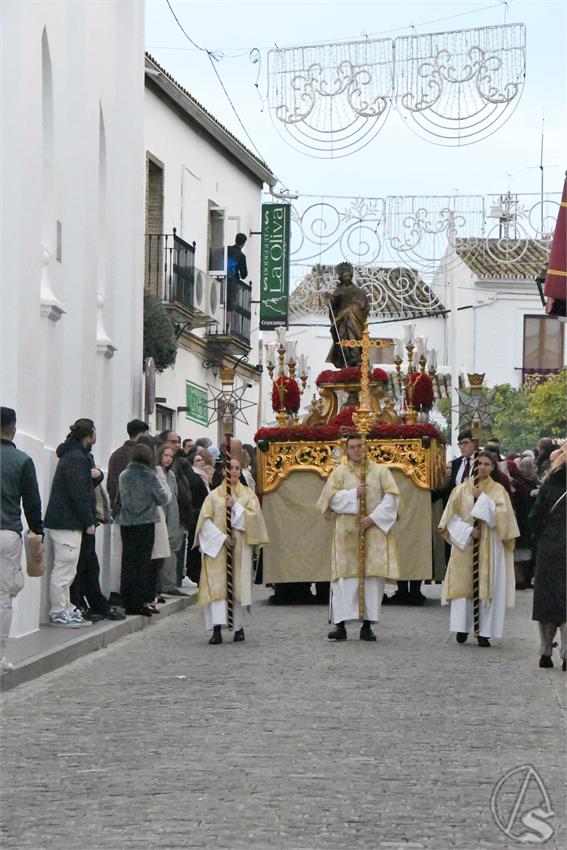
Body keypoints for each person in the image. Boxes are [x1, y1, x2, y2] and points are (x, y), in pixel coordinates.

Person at [317, 433, 400, 641]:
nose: (356, 450)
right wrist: (353, 494)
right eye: (352, 447)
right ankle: (340, 625)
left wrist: (372, 519)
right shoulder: (339, 473)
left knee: (371, 580)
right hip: (346, 536)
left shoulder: (381, 472)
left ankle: (367, 625)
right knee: (344, 580)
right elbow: (329, 500)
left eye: (359, 446)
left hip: (373, 533)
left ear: (366, 448)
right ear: (347, 449)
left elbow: (392, 499)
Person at [439, 451, 519, 647]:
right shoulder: (460, 490)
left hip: (489, 544)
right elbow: (449, 519)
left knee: (486, 586)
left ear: (492, 467)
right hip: (465, 544)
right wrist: (467, 531)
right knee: (463, 586)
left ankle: (483, 631)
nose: (482, 467)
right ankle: (461, 627)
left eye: (486, 464)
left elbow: (504, 518)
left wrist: (482, 499)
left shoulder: (499, 491)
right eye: (479, 463)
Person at [194, 457, 269, 645]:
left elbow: (255, 520)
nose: (233, 472)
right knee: (218, 588)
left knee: (236, 588)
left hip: (239, 548)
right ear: (223, 472)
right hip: (218, 549)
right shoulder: (213, 496)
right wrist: (221, 538)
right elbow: (204, 522)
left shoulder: (247, 495)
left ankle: (238, 627)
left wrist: (235, 507)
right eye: (230, 468)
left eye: (236, 468)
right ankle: (217, 628)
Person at [44, 419, 102, 628]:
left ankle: (66, 607)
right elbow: (78, 493)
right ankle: (59, 611)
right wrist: (88, 520)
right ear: (89, 435)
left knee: (68, 569)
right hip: (67, 522)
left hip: (66, 521)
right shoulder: (77, 458)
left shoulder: (72, 455)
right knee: (64, 569)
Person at [0, 407, 43, 671]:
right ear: (13, 427)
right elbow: (32, 502)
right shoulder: (23, 460)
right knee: (3, 597)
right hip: (7, 532)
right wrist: (37, 530)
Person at [116, 444, 170, 616]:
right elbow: (163, 499)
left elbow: (119, 498)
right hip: (146, 523)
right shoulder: (150, 476)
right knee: (143, 563)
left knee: (128, 562)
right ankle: (139, 601)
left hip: (127, 522)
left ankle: (127, 601)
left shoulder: (124, 475)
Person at [530, 446, 566, 670]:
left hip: (550, 546)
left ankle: (545, 651)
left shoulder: (550, 484)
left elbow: (534, 517)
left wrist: (540, 538)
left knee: (547, 600)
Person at [106, 418, 149, 606]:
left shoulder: (116, 454)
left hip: (119, 510)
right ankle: (130, 592)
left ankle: (115, 590)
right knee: (133, 555)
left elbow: (111, 484)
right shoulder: (140, 455)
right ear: (142, 434)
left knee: (118, 552)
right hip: (136, 514)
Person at [325, 262, 369, 369]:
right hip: (341, 320)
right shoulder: (338, 291)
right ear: (341, 277)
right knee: (343, 339)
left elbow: (364, 305)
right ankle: (347, 362)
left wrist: (353, 309)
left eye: (348, 276)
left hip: (355, 320)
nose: (347, 278)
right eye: (344, 276)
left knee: (355, 338)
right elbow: (333, 306)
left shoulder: (358, 291)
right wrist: (329, 301)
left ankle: (357, 360)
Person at [226, 233, 248, 333]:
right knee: (230, 304)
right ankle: (227, 327)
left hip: (221, 279)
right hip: (232, 282)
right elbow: (244, 274)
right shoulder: (241, 255)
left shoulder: (226, 249)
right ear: (243, 243)